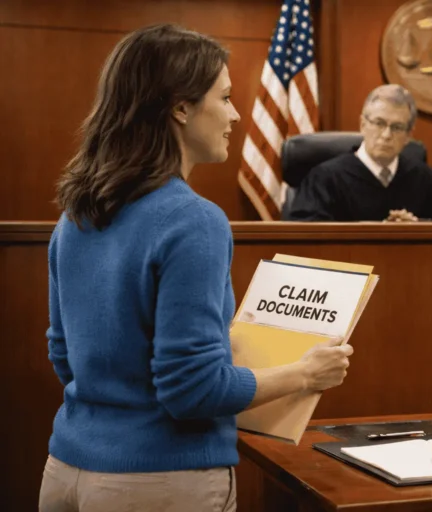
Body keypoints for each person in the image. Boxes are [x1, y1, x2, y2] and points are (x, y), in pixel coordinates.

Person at [39, 24, 353, 512]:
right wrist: (305, 374)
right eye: (225, 98)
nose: (236, 114)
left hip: (65, 473)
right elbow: (194, 390)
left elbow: (65, 355)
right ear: (180, 108)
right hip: (157, 482)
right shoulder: (193, 220)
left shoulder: (74, 215)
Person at [284, 84, 432, 222]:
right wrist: (368, 232)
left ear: (409, 135)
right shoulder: (325, 178)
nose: (386, 135)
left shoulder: (427, 179)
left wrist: (419, 227)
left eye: (397, 127)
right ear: (363, 125)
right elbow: (304, 234)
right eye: (379, 123)